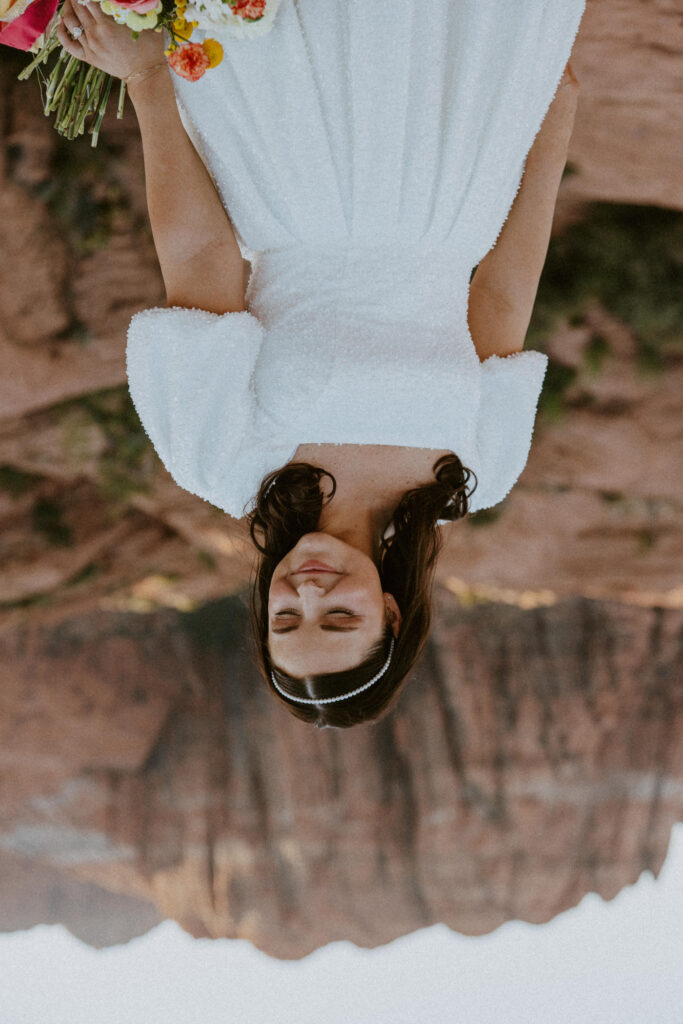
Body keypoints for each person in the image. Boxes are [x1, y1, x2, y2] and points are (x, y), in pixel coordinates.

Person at [58, 0, 584, 727]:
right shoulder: (476, 470)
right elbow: (501, 292)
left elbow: (200, 256)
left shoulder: (221, 461)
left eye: (284, 620)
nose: (306, 592)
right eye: (338, 618)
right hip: (455, 160)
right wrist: (548, 131)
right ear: (391, 616)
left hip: (288, 152)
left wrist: (149, 79)